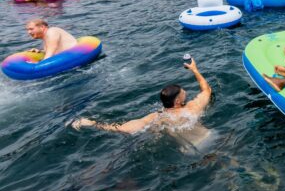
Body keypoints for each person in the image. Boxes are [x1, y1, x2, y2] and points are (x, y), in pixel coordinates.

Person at [72, 58, 213, 147]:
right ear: (177, 101)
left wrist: (93, 123)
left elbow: (123, 128)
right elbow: (206, 89)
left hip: (189, 149)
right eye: (183, 93)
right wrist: (194, 69)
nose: (186, 93)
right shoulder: (191, 108)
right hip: (210, 138)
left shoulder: (157, 117)